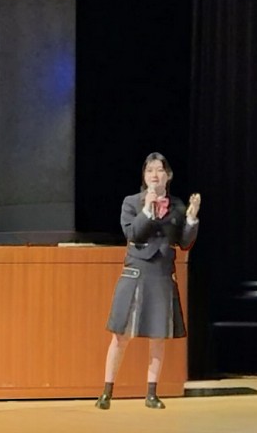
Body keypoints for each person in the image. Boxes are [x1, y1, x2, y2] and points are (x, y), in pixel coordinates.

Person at [95, 152, 201, 410]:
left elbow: (184, 243)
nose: (155, 175)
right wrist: (147, 210)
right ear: (144, 176)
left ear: (168, 175)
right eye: (150, 170)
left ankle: (151, 393)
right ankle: (107, 391)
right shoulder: (131, 202)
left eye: (159, 170)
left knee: (158, 335)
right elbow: (132, 232)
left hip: (162, 273)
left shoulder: (177, 205)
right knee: (121, 335)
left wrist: (191, 218)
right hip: (136, 272)